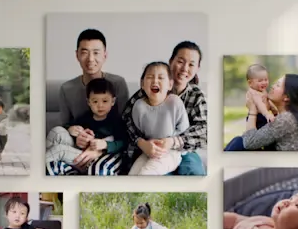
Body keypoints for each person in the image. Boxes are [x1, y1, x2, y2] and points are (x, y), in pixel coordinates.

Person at [46, 29, 131, 175]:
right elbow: (66, 125)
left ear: (105, 55)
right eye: (85, 52)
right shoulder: (67, 88)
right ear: (77, 55)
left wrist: (100, 149)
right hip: (78, 146)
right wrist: (74, 132)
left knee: (58, 152)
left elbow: (125, 129)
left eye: (96, 52)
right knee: (56, 132)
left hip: (106, 149)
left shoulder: (118, 83)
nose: (90, 59)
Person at [121, 41, 207, 175]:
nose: (185, 68)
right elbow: (126, 119)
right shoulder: (148, 91)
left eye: (191, 64)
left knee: (193, 172)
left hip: (184, 150)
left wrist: (173, 141)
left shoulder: (196, 96)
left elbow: (203, 130)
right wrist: (141, 142)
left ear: (197, 68)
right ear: (171, 61)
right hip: (151, 148)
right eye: (180, 61)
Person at [45, 78, 128, 173]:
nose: (100, 106)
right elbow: (69, 126)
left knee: (59, 150)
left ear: (112, 101)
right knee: (57, 131)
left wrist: (106, 145)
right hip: (78, 152)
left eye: (105, 101)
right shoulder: (85, 117)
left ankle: (35, 172)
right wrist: (71, 129)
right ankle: (50, 168)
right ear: (89, 102)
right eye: (95, 101)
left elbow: (124, 142)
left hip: (96, 158)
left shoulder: (116, 121)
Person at [224, 74, 298, 152]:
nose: (272, 86)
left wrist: (252, 110)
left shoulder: (286, 119)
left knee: (238, 142)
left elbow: (248, 142)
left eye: (277, 85)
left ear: (287, 97)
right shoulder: (291, 116)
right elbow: (258, 137)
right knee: (239, 142)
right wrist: (263, 110)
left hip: (284, 170)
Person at [128, 63, 189, 176]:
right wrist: (145, 144)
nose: (155, 81)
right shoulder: (138, 106)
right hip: (148, 150)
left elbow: (185, 131)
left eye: (161, 78)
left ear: (170, 84)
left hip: (171, 152)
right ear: (142, 84)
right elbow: (137, 133)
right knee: (132, 175)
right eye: (150, 77)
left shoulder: (175, 103)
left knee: (146, 173)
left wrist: (170, 142)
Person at [244, 63, 276, 129]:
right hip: (258, 118)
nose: (264, 82)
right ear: (250, 83)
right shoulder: (253, 93)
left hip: (263, 115)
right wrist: (267, 114)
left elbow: (267, 100)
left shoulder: (262, 90)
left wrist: (274, 110)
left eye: (266, 79)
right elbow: (259, 103)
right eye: (260, 80)